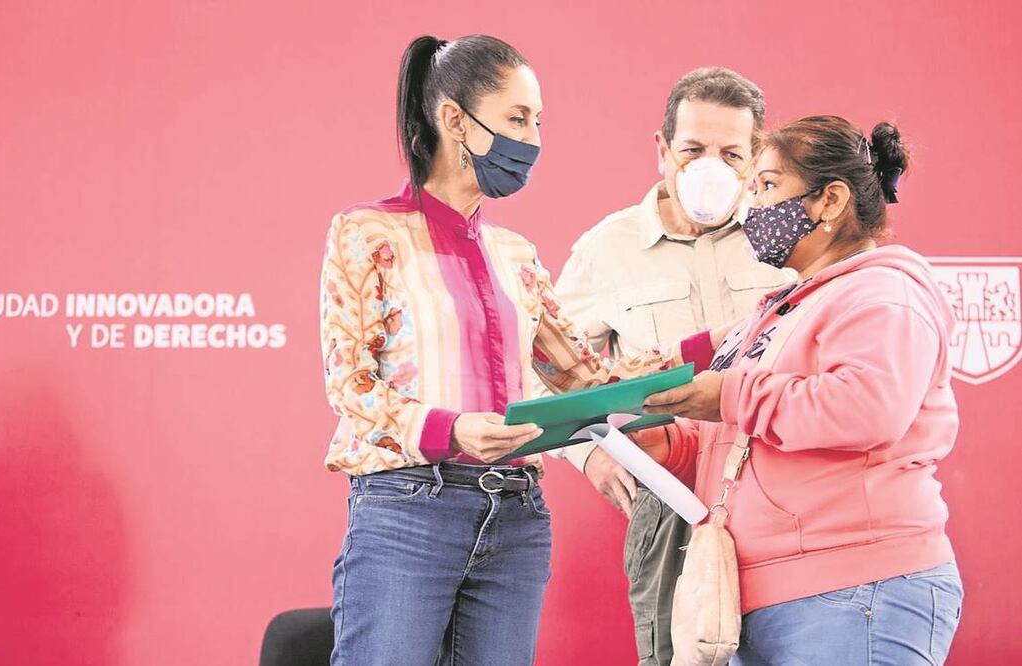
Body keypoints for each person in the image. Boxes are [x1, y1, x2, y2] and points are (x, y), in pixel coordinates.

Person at [319, 34, 717, 666]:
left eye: (537, 121)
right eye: (517, 118)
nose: (532, 138)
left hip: (516, 514)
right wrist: (451, 429)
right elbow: (352, 384)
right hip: (407, 509)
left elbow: (583, 379)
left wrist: (711, 348)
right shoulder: (366, 232)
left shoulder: (517, 255)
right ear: (455, 120)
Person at [638, 116, 964, 664]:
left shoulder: (882, 293)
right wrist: (668, 446)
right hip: (763, 596)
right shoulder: (780, 309)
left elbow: (866, 409)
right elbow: (742, 434)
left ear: (830, 200)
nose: (752, 206)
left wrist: (728, 395)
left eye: (767, 186)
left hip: (855, 589)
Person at [541, 67, 794, 664]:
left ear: (757, 156)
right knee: (674, 653)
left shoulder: (788, 235)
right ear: (662, 150)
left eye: (732, 154)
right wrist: (591, 455)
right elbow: (543, 369)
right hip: (670, 495)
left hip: (778, 489)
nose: (711, 168)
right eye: (693, 150)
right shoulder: (608, 248)